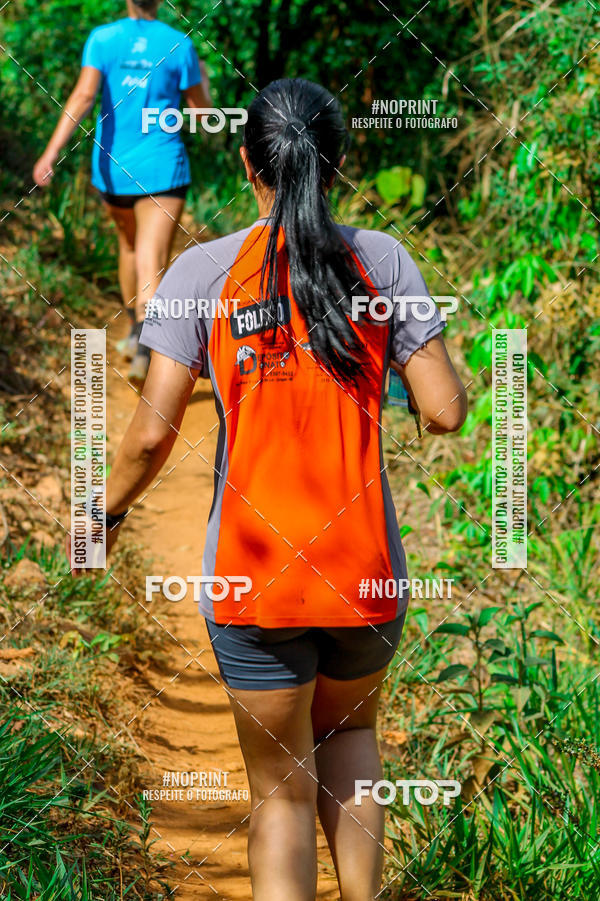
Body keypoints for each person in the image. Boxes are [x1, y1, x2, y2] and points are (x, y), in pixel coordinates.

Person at [71, 78, 467, 900]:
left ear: (247, 160)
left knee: (281, 790)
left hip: (255, 581)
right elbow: (445, 410)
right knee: (352, 735)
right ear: (340, 162)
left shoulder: (203, 270)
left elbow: (151, 434)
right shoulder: (383, 258)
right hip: (366, 573)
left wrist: (99, 514)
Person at [33, 0, 211, 385]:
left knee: (129, 247)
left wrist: (51, 152)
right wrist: (203, 90)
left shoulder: (103, 39)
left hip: (114, 169)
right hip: (164, 167)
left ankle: (134, 330)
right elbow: (202, 114)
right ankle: (147, 349)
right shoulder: (180, 44)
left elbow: (82, 98)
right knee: (153, 257)